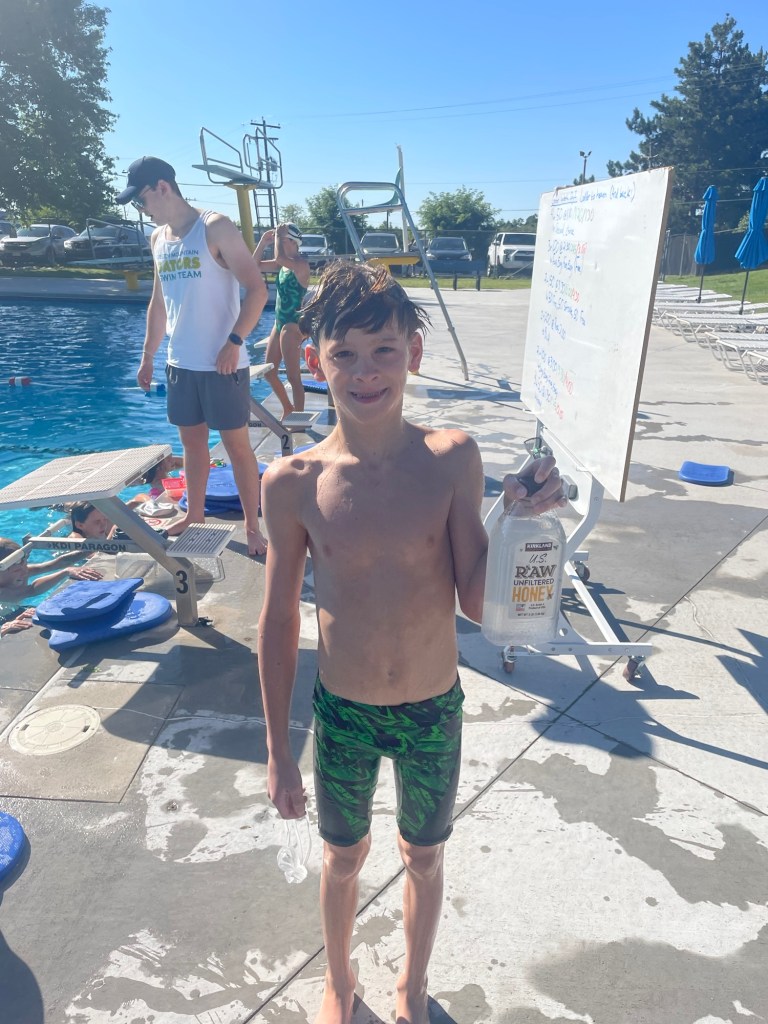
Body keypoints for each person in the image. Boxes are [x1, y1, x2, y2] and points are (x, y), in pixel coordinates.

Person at [257, 262, 565, 1024]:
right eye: (345, 354)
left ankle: (413, 984)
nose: (365, 372)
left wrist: (517, 521)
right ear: (315, 361)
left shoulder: (451, 458)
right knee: (342, 857)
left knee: (424, 856)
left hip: (432, 709)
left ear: (414, 354)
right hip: (345, 715)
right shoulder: (292, 481)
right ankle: (339, 979)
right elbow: (277, 621)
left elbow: (476, 600)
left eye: (384, 351)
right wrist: (277, 750)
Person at [117, 156, 269, 556]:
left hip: (223, 362)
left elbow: (257, 289)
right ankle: (195, 515)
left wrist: (234, 341)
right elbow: (158, 302)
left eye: (141, 201)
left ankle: (253, 527)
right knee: (193, 446)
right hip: (180, 362)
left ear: (162, 188)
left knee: (237, 448)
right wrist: (148, 354)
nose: (141, 210)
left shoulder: (215, 227)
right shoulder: (158, 238)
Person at [253, 223, 311, 417]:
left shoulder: (301, 264)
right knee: (269, 372)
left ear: (293, 242)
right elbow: (254, 265)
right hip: (278, 323)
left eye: (283, 239)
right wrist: (263, 242)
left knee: (293, 377)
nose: (279, 242)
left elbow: (279, 257)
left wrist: (278, 236)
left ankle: (299, 420)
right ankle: (288, 407)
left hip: (292, 325)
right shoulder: (282, 266)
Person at [0, 537, 103, 606]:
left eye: (25, 561)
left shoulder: (18, 568)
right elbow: (31, 590)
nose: (24, 570)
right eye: (17, 568)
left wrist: (93, 547)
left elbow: (53, 564)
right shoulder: (2, 593)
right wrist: (65, 572)